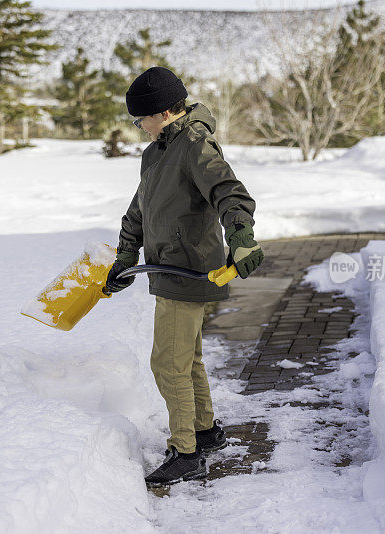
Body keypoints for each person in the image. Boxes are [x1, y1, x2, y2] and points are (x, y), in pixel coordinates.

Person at [104, 66, 263, 486]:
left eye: (140, 118)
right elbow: (141, 210)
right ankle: (205, 431)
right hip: (168, 266)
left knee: (166, 364)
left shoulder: (193, 142)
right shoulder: (157, 151)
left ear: (162, 112)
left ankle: (185, 451)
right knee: (186, 358)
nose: (138, 126)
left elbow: (230, 191)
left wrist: (242, 236)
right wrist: (125, 254)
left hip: (188, 269)